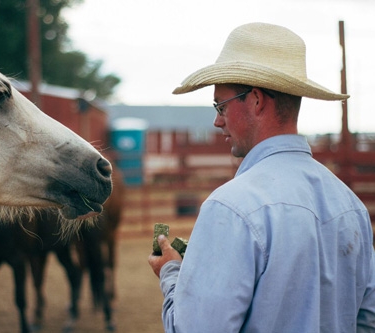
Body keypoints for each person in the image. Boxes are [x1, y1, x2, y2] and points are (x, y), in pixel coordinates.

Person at [148, 22, 375, 332]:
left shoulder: (232, 208)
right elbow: (367, 319)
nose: (217, 120)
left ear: (255, 99)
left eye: (222, 106)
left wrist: (172, 273)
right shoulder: (350, 205)